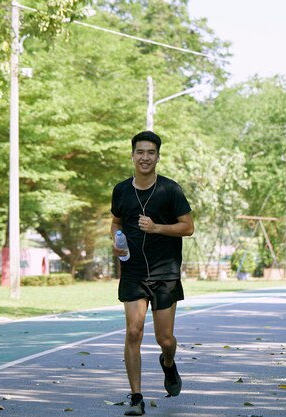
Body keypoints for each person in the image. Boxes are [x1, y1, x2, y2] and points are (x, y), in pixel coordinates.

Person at [110, 131, 194, 416]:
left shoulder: (170, 190)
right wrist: (116, 242)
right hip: (133, 271)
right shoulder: (121, 190)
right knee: (133, 331)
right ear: (132, 155)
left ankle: (168, 364)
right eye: (140, 152)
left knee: (165, 339)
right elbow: (116, 222)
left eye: (150, 153)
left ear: (158, 157)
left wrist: (157, 227)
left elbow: (188, 227)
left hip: (164, 272)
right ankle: (136, 397)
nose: (145, 157)